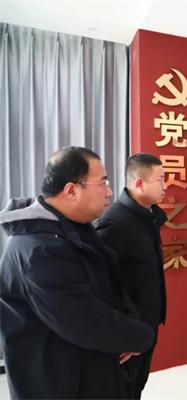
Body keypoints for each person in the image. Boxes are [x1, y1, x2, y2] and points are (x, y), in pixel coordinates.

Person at [0, 146, 154, 399]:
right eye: (103, 183)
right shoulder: (38, 251)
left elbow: (113, 288)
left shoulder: (77, 230)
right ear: (71, 190)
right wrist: (141, 336)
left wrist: (130, 327)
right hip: (60, 385)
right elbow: (85, 321)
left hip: (93, 371)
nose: (109, 192)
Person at [95, 153, 168, 399]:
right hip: (127, 331)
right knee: (123, 390)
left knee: (137, 385)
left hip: (146, 325)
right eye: (160, 180)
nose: (165, 186)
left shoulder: (149, 217)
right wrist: (120, 333)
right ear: (139, 183)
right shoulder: (115, 223)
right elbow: (99, 283)